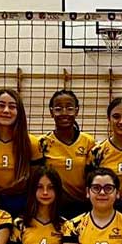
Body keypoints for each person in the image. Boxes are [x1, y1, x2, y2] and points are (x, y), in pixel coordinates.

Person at [0, 88, 43, 217]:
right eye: (1, 105)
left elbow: (36, 183)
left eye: (12, 107)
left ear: (19, 112)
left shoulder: (32, 144)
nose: (6, 110)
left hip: (22, 207)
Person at [38, 89, 95, 220]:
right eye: (58, 109)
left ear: (77, 111)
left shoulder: (88, 142)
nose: (64, 113)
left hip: (83, 206)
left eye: (69, 108)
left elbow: (92, 179)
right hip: (53, 207)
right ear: (51, 112)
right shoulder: (42, 143)